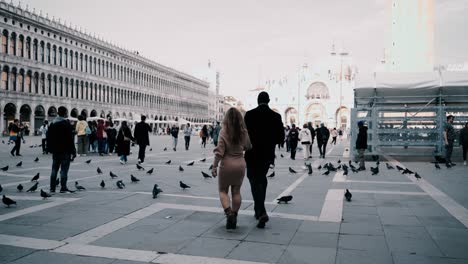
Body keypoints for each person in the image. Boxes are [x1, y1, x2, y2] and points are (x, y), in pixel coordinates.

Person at [244, 91, 284, 228]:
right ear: (269, 100)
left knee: (253, 179)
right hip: (267, 155)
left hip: (252, 153)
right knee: (261, 178)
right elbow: (280, 138)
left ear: (257, 100)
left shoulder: (249, 115)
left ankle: (261, 211)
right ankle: (258, 209)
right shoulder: (276, 116)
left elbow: (243, 134)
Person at [212, 108, 252, 229]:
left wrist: (214, 166)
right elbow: (248, 146)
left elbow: (219, 152)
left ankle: (229, 213)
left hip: (226, 165)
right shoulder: (243, 131)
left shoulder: (224, 132)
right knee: (236, 191)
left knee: (223, 191)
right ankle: (234, 214)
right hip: (240, 164)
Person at [46, 106, 76, 193]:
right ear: (65, 113)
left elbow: (49, 137)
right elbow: (70, 139)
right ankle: (63, 187)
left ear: (58, 113)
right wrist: (73, 150)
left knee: (54, 169)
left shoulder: (53, 123)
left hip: (56, 151)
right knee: (64, 169)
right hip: (65, 150)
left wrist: (49, 149)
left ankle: (52, 188)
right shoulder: (66, 124)